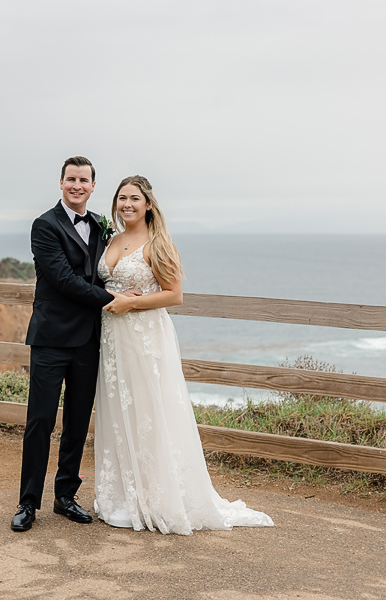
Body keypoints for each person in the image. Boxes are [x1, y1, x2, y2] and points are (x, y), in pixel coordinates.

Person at [93, 175, 274, 535]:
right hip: (112, 339)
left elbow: (174, 295)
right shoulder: (111, 239)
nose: (126, 204)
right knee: (120, 411)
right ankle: (124, 495)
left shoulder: (158, 242)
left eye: (134, 198)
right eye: (122, 198)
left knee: (148, 412)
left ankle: (157, 497)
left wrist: (133, 302)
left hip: (144, 337)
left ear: (148, 205)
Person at [12, 156, 137, 531]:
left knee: (78, 423)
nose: (77, 185)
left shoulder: (101, 226)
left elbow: (106, 268)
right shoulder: (44, 226)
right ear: (61, 183)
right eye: (71, 179)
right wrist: (114, 298)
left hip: (89, 340)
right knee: (40, 421)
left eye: (84, 180)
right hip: (51, 338)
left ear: (93, 186)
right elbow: (64, 279)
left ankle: (65, 496)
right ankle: (27, 503)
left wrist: (128, 293)